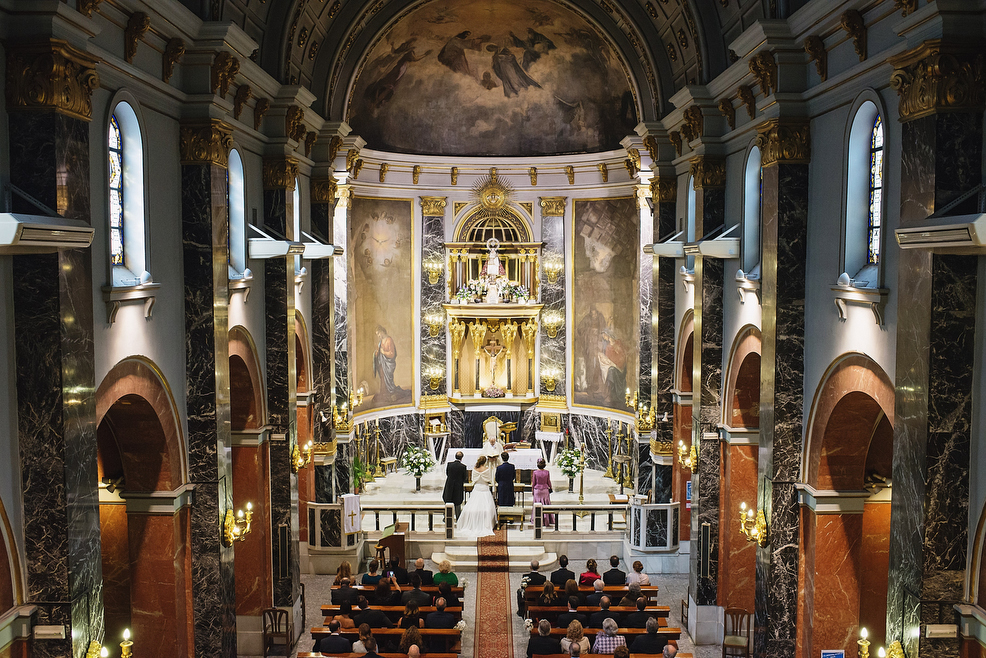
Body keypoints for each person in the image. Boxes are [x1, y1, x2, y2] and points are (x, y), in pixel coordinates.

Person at [455, 455, 496, 539]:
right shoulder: (487, 469)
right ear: (485, 462)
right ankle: (486, 524)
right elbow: (488, 480)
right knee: (486, 506)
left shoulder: (474, 469)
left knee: (473, 505)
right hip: (484, 488)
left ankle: (470, 524)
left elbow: (473, 480)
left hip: (477, 488)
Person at [442, 451, 467, 517]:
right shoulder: (463, 467)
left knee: (448, 501)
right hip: (458, 487)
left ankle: (446, 516)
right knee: (457, 502)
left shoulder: (449, 465)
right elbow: (464, 477)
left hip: (449, 485)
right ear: (462, 458)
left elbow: (447, 474)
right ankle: (458, 517)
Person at [531, 458, 555, 527]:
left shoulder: (535, 472)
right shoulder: (547, 472)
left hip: (537, 490)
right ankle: (547, 520)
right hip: (545, 490)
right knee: (546, 505)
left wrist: (532, 490)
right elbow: (548, 482)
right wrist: (551, 488)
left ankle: (537, 520)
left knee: (537, 505)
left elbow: (534, 483)